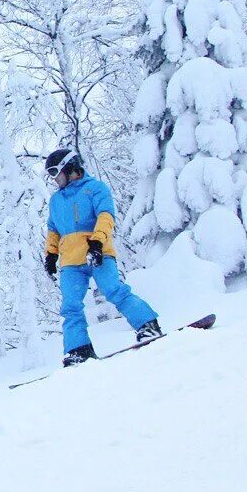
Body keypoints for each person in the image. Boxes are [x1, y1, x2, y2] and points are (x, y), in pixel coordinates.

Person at [42, 147, 162, 366]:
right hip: (70, 261)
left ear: (70, 168)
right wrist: (51, 255)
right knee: (70, 306)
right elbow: (53, 229)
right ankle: (78, 350)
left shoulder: (95, 189)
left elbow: (105, 216)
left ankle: (147, 325)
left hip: (97, 252)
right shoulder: (56, 201)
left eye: (55, 172)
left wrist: (97, 242)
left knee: (114, 290)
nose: (54, 179)